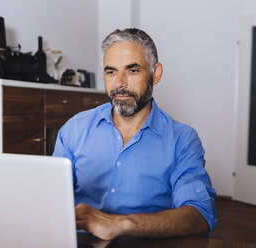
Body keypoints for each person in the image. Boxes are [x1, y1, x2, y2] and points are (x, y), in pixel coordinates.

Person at [53, 28, 217, 240]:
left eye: (132, 71)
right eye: (110, 72)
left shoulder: (182, 140)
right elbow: (51, 199)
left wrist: (121, 224)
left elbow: (200, 217)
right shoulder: (74, 129)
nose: (119, 83)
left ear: (155, 74)